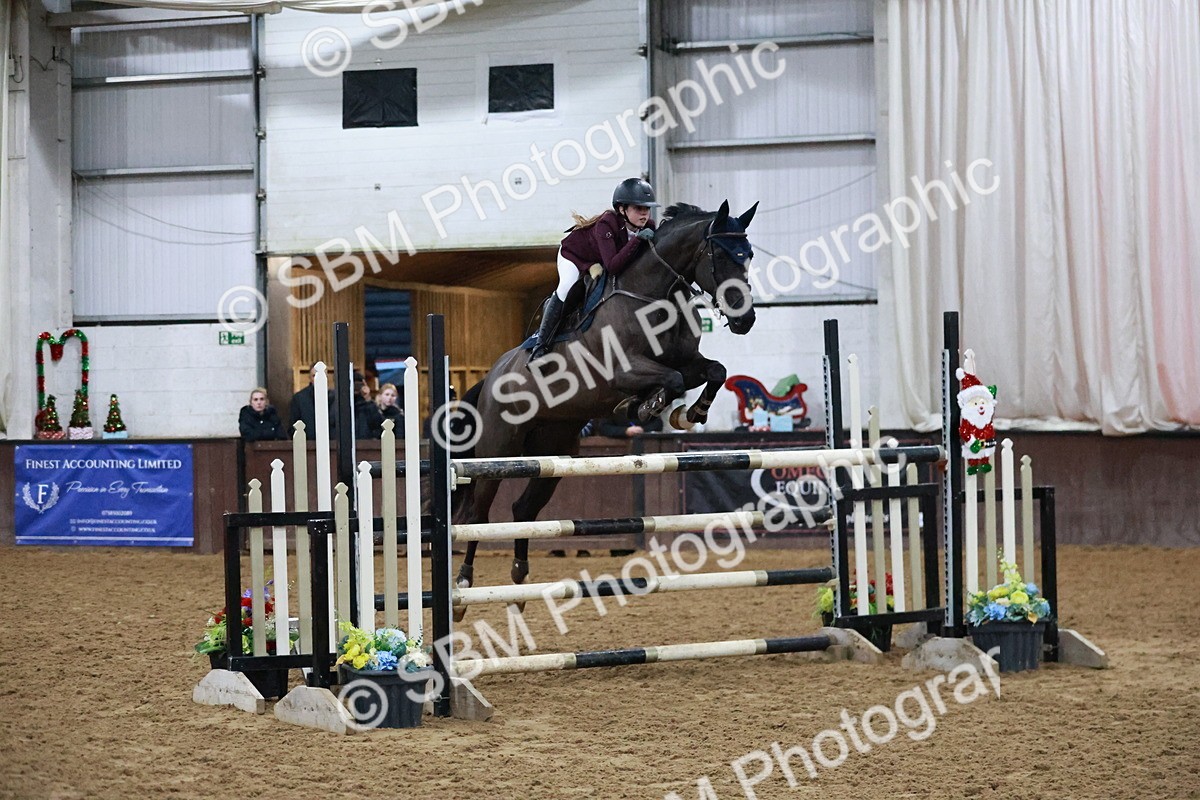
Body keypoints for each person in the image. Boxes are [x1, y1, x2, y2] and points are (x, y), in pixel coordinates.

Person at [529, 177, 659, 360]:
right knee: (566, 288)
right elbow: (613, 266)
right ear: (622, 209)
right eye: (639, 208)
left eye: (647, 209)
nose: (644, 214)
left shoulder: (649, 227)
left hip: (599, 260)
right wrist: (638, 240)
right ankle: (540, 346)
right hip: (573, 256)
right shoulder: (607, 224)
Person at [288, 362, 335, 439]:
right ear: (309, 378)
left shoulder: (335, 398)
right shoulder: (299, 399)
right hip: (308, 445)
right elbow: (293, 426)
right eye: (314, 376)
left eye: (322, 375)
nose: (318, 379)